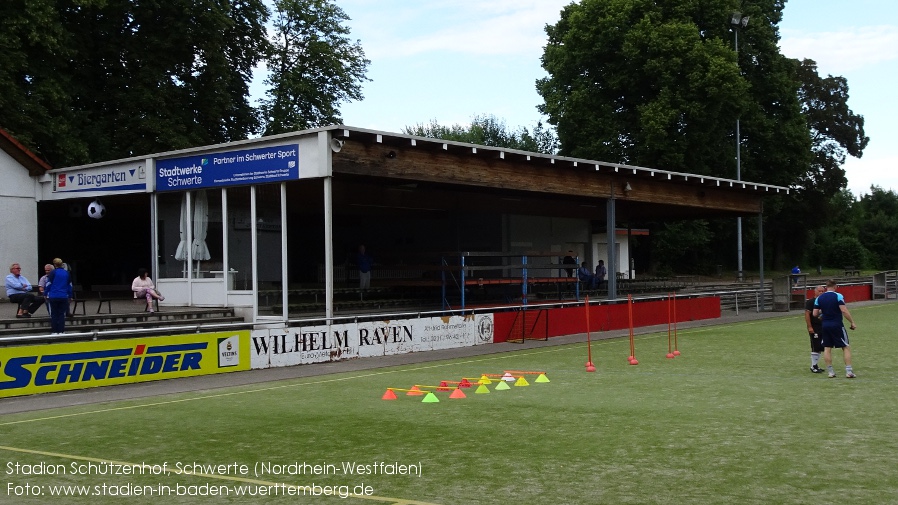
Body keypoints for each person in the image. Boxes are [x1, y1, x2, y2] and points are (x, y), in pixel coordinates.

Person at [813, 279, 857, 378]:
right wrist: (852, 322)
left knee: (827, 348)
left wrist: (823, 313)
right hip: (837, 325)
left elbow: (815, 313)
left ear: (826, 287)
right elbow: (844, 310)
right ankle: (849, 371)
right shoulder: (838, 296)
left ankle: (830, 372)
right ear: (835, 286)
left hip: (825, 326)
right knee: (845, 347)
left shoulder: (819, 298)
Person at [45, 258, 73, 334]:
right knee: (61, 314)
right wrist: (70, 296)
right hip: (63, 296)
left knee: (54, 314)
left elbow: (48, 284)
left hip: (53, 296)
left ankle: (54, 330)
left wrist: (45, 293)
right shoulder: (67, 273)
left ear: (54, 264)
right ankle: (61, 330)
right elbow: (69, 285)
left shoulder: (53, 273)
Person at [804, 285, 826, 373]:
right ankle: (813, 366)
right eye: (819, 291)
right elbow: (807, 315)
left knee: (821, 346)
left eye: (822, 291)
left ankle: (816, 365)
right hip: (815, 326)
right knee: (815, 345)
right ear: (815, 292)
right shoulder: (810, 302)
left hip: (823, 326)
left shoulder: (824, 302)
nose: (821, 293)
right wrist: (809, 326)